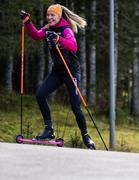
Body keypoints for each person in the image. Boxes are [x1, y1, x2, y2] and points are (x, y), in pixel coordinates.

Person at [20, 4, 96, 149]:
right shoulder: (48, 28)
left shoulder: (65, 29)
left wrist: (58, 38)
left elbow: (73, 46)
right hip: (57, 72)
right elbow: (36, 35)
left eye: (52, 15)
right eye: (48, 15)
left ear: (59, 16)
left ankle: (86, 136)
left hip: (71, 72)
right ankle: (49, 129)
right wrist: (28, 21)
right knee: (40, 94)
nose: (49, 18)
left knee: (75, 107)